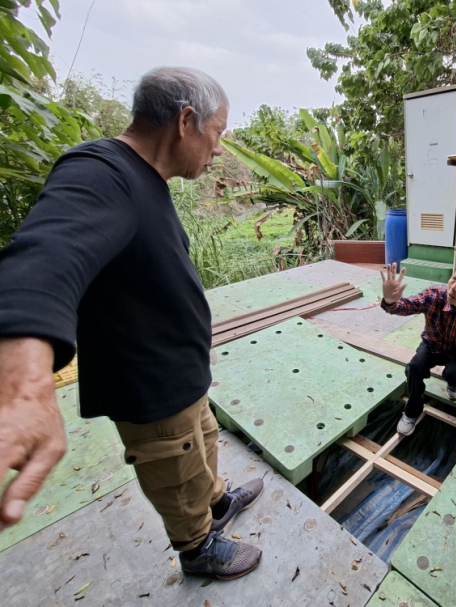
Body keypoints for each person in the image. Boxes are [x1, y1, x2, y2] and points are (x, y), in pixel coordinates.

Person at [0, 67, 265, 580]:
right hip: (150, 388)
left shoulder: (147, 177)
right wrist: (23, 376)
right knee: (175, 469)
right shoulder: (101, 172)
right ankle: (197, 546)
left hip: (182, 377)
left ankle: (216, 504)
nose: (218, 151)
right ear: (186, 121)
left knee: (202, 446)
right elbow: (47, 253)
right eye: (217, 134)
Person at [380, 260, 456, 436]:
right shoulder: (434, 295)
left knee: (454, 373)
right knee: (414, 368)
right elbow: (407, 305)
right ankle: (411, 412)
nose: (453, 287)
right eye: (453, 279)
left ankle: (455, 383)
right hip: (433, 345)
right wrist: (390, 301)